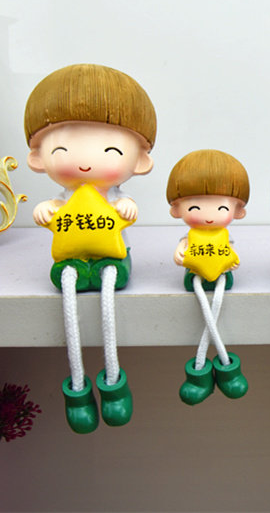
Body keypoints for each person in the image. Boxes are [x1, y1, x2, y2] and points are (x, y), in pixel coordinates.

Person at [25, 63, 156, 433]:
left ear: (140, 160)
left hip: (111, 259)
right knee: (67, 285)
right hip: (70, 261)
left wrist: (126, 208)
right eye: (63, 148)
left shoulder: (113, 198)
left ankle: (113, 383)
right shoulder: (65, 199)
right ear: (38, 157)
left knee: (110, 291)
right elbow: (55, 210)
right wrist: (46, 210)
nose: (85, 162)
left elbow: (124, 210)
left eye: (110, 149)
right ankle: (78, 386)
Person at [166, 149, 249, 405]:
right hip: (194, 275)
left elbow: (230, 252)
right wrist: (180, 253)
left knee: (219, 295)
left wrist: (232, 260)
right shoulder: (191, 237)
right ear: (176, 209)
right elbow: (182, 249)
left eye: (222, 207)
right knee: (201, 297)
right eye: (195, 207)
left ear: (238, 210)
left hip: (222, 275)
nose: (209, 215)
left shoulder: (223, 237)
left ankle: (219, 367)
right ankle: (203, 370)